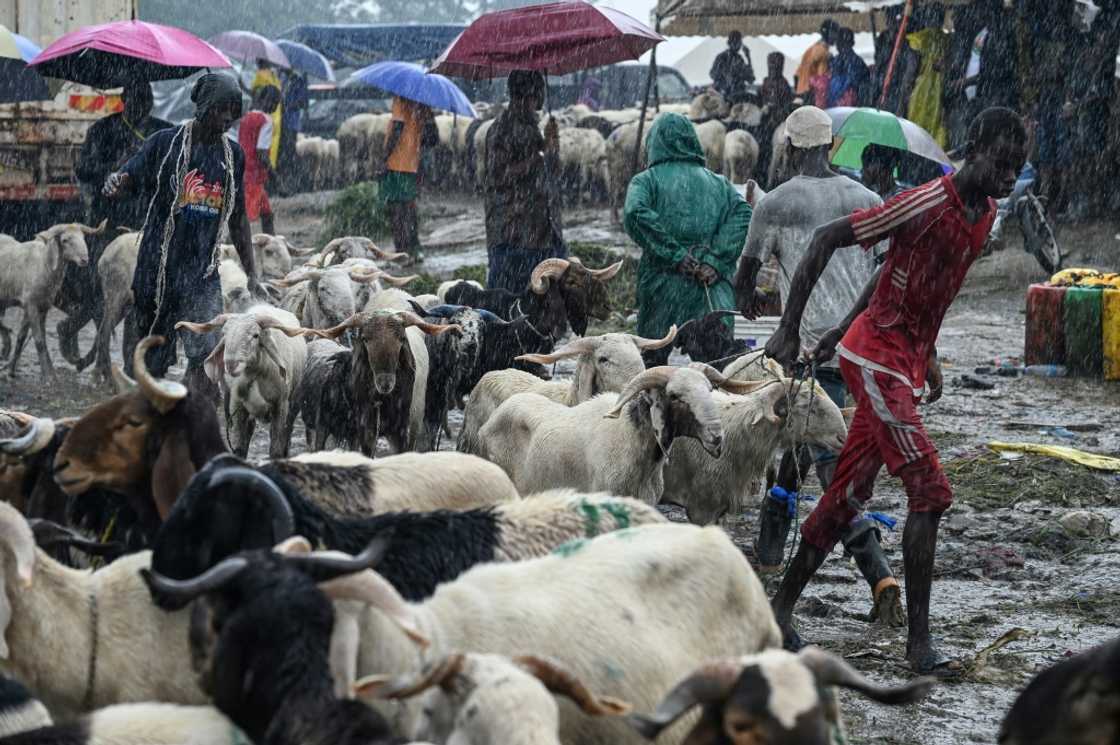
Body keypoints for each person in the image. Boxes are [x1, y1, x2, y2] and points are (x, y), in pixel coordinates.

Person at [763, 107, 1028, 674]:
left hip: (896, 359)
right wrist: (791, 325)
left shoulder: (984, 218)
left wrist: (926, 352)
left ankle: (777, 613)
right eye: (1001, 164)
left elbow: (907, 279)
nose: (1008, 177)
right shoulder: (927, 201)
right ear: (974, 146)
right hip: (875, 361)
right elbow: (828, 238)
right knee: (930, 492)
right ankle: (919, 645)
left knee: (843, 500)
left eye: (1018, 169)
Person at [733, 106, 903, 627]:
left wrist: (761, 306)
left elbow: (744, 284)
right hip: (863, 353)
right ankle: (764, 558)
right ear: (831, 147)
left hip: (811, 357)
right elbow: (885, 275)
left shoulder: (776, 203)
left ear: (788, 148)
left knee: (833, 474)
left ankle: (880, 574)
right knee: (794, 461)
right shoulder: (868, 199)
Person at [102, 73, 262, 402]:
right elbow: (128, 176)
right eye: (220, 110)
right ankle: (145, 420)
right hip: (158, 271)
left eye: (233, 111)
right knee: (151, 358)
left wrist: (253, 272)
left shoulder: (233, 155)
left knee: (206, 356)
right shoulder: (165, 144)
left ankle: (192, 424)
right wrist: (116, 182)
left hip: (201, 274)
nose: (227, 119)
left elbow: (238, 218)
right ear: (203, 108)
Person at [625, 113, 750, 366]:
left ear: (654, 143)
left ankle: (652, 405)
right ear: (693, 141)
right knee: (718, 370)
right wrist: (715, 260)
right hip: (708, 291)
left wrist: (675, 255)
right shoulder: (720, 184)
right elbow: (744, 213)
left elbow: (635, 213)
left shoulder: (646, 181)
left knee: (651, 369)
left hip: (662, 290)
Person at [68, 81, 170, 370]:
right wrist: (113, 172)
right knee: (103, 293)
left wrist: (144, 172)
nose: (143, 103)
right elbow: (83, 169)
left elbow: (175, 169)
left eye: (147, 98)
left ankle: (129, 363)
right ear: (124, 99)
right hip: (110, 221)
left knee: (142, 297)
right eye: (137, 97)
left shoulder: (164, 131)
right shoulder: (103, 130)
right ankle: (91, 347)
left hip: (149, 223)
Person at [484, 70, 566, 292]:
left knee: (546, 301)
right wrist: (539, 156)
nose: (538, 102)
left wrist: (552, 147)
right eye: (536, 96)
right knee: (511, 302)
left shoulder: (532, 128)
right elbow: (498, 177)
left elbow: (552, 172)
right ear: (526, 96)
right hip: (514, 234)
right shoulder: (501, 130)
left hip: (543, 230)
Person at [378, 95, 434, 264]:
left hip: (396, 163)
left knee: (396, 209)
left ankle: (401, 252)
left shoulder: (400, 100)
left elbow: (397, 126)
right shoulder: (421, 103)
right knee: (409, 208)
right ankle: (415, 249)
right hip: (412, 163)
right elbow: (431, 136)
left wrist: (384, 159)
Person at [904, 5, 951, 149]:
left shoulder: (918, 40)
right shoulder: (946, 39)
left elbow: (911, 72)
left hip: (920, 94)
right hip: (940, 91)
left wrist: (904, 94)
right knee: (937, 133)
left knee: (917, 133)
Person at [239, 84, 280, 235]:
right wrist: (274, 176)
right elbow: (262, 153)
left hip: (243, 172)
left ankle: (272, 245)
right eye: (275, 103)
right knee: (244, 219)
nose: (275, 108)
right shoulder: (266, 121)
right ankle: (231, 249)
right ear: (266, 101)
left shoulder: (246, 117)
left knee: (267, 215)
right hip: (254, 177)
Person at [758, 52, 794, 187]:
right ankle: (762, 173)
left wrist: (776, 110)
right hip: (766, 119)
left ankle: (772, 176)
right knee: (760, 140)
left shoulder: (783, 84)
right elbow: (760, 99)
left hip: (777, 119)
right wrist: (764, 106)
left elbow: (787, 105)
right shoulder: (766, 82)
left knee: (770, 144)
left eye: (776, 65)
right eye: (771, 65)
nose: (773, 68)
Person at [278, 70, 308, 194]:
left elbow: (303, 103)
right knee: (280, 155)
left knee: (289, 155)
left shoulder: (299, 81)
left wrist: (287, 105)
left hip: (291, 124)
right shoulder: (281, 77)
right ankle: (281, 185)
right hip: (279, 123)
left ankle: (292, 185)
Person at [795, 20, 838, 105]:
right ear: (829, 33)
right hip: (813, 95)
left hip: (803, 92)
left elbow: (797, 74)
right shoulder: (823, 53)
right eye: (835, 33)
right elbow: (822, 79)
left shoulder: (811, 49)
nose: (836, 37)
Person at [828, 27, 871, 107]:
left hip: (842, 107)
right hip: (853, 107)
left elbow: (850, 83)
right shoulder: (857, 61)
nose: (837, 45)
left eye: (838, 42)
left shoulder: (841, 61)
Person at [709, 31, 755, 104]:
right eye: (735, 42)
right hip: (724, 95)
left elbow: (751, 79)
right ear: (729, 43)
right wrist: (725, 73)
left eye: (739, 42)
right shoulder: (721, 57)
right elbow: (713, 74)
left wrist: (748, 58)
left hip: (738, 96)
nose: (738, 45)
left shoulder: (740, 59)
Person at [251, 61, 283, 168]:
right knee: (268, 149)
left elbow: (256, 94)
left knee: (260, 148)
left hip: (266, 116)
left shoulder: (261, 75)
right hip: (275, 118)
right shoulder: (275, 77)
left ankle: (267, 170)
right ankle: (269, 170)